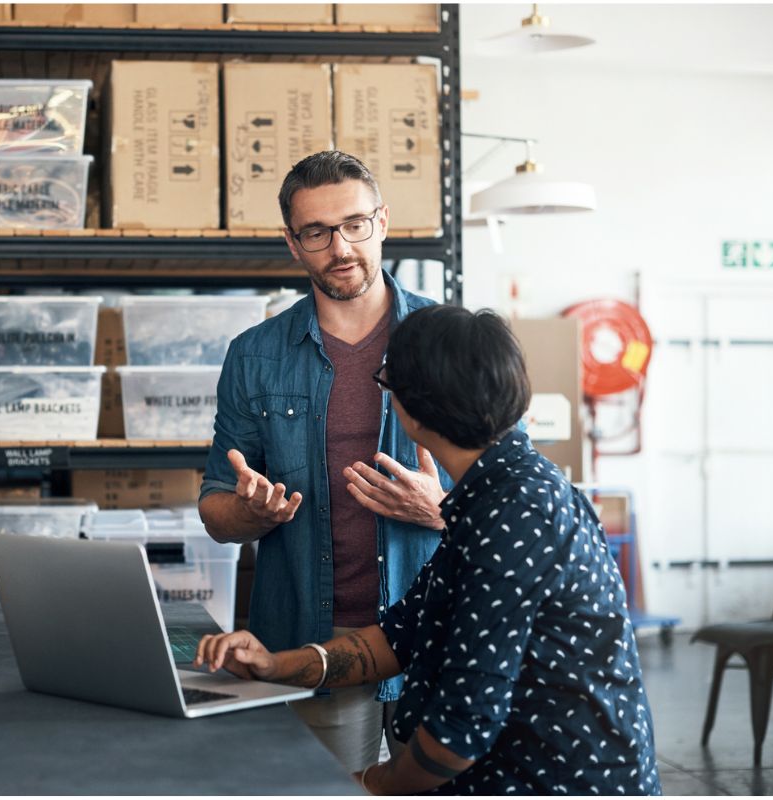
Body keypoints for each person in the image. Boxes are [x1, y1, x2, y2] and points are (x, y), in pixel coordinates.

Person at [195, 305, 661, 795]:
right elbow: (401, 635)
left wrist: (367, 784)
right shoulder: (492, 495)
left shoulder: (513, 516)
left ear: (412, 410)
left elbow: (460, 730)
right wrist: (275, 664)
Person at [198, 151, 451, 772]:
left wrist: (441, 509)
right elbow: (214, 510)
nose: (340, 247)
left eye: (355, 224)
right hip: (313, 644)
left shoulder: (453, 339)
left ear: (383, 222)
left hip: (442, 639)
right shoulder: (254, 356)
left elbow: (527, 499)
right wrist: (251, 513)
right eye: (317, 232)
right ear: (293, 243)